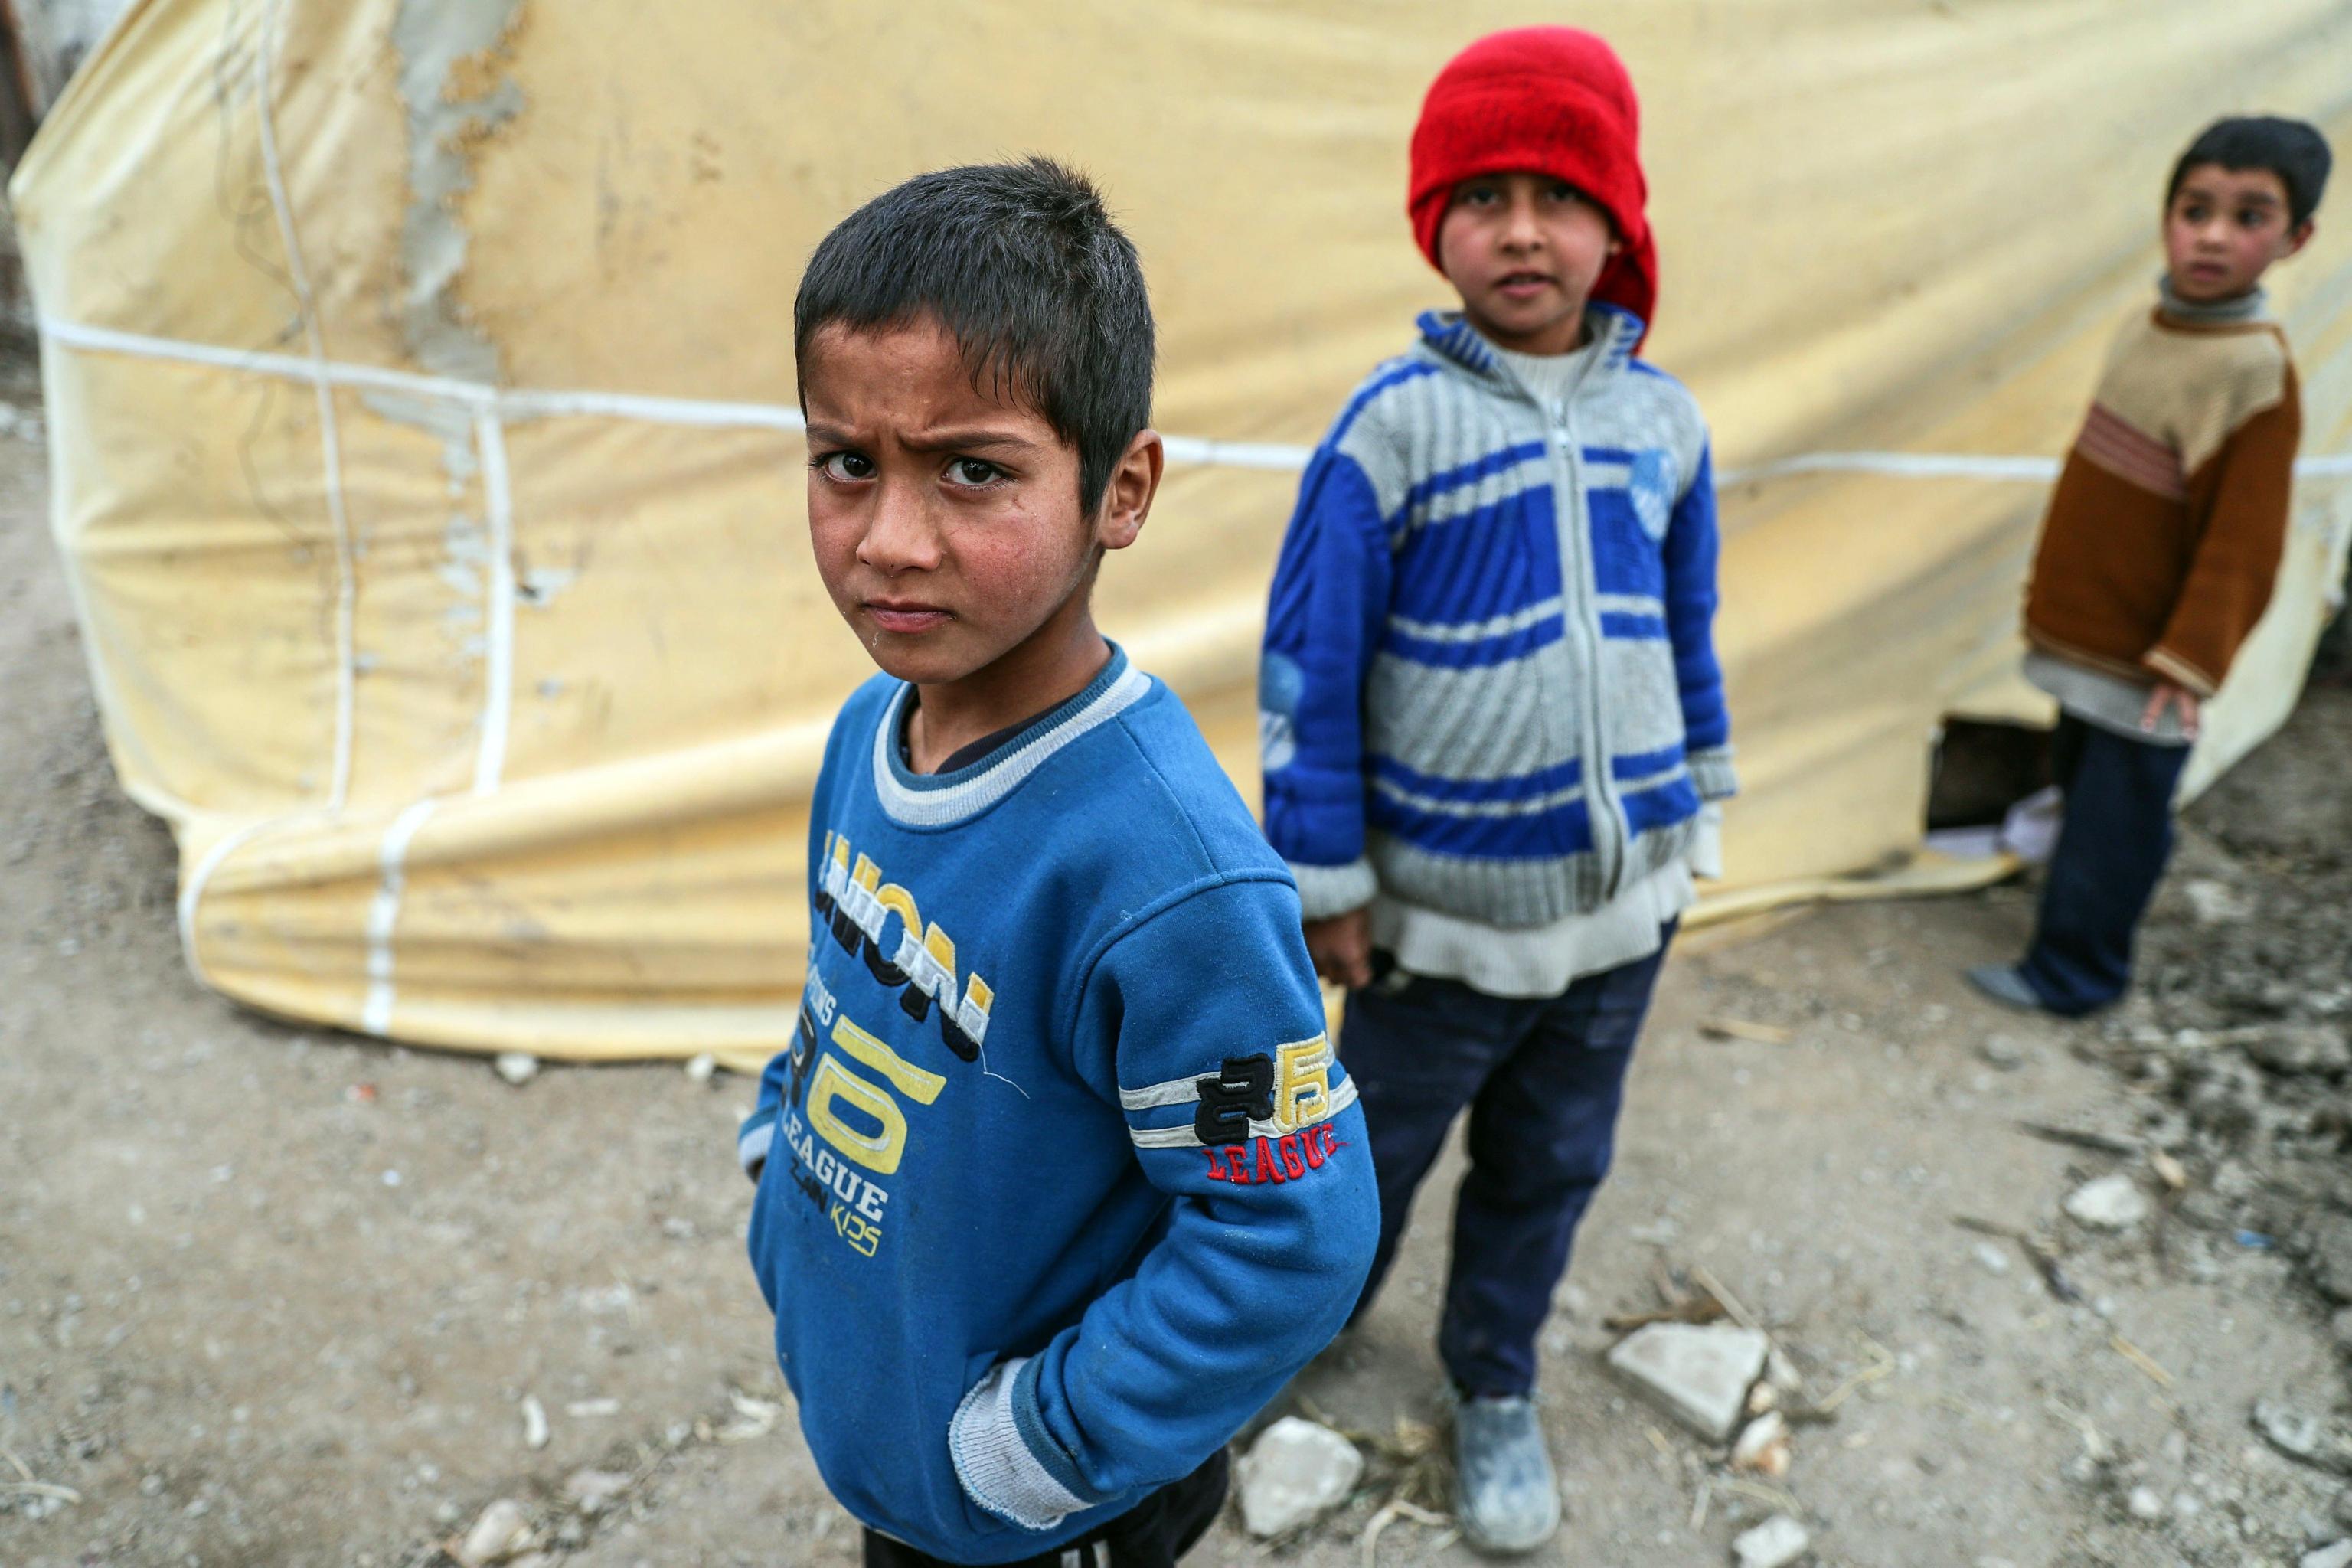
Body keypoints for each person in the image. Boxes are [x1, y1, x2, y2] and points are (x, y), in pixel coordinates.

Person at [739, 158, 1380, 1568]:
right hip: (888, 1428)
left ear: (1121, 489)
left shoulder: (1172, 883)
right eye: (849, 461)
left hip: (1034, 1516)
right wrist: (782, 1167)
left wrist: (1032, 1448)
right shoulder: (869, 734)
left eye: (974, 470)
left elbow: (1290, 1234)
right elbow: (840, 989)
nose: (891, 540)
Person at [1257, 27, 1734, 1554]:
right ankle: (1280, 1337)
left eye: (1559, 194)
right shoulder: (1391, 431)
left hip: (1619, 921)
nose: (1521, 231)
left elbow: (1687, 629)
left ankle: (1495, 1380)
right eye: (1483, 197)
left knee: (1552, 1161)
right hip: (1438, 930)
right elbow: (1305, 669)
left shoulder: (1663, 426)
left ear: (1619, 224)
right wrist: (1325, 878)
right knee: (1359, 1160)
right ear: (1433, 226)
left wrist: (1698, 802)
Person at [1968, 116, 2330, 1018]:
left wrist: (2190, 656)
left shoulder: (2253, 373)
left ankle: (2076, 974)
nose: (2212, 234)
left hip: (2150, 662)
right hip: (2092, 636)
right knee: (2087, 793)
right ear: (2166, 216)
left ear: (2296, 240)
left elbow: (2244, 538)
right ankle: (2064, 922)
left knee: (2116, 823)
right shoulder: (2147, 326)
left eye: (2249, 217)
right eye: (2194, 208)